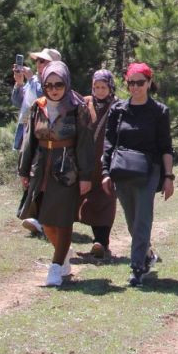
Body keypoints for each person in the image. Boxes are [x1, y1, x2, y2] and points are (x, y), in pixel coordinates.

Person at [18, 61, 93, 287]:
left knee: (62, 220)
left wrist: (86, 176)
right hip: (41, 168)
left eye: (58, 84)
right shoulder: (37, 106)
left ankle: (56, 267)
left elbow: (85, 144)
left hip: (67, 168)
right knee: (45, 221)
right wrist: (24, 169)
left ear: (66, 83)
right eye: (49, 84)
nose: (53, 89)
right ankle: (64, 252)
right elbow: (29, 140)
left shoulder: (76, 107)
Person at [101, 63, 175, 286]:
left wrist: (169, 177)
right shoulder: (118, 110)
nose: (135, 87)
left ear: (149, 83)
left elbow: (166, 146)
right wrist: (105, 172)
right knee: (132, 220)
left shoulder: (159, 111)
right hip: (122, 171)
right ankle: (147, 254)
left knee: (143, 218)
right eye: (131, 83)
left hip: (149, 171)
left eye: (140, 82)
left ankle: (137, 268)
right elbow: (109, 142)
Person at [11, 47, 61, 236]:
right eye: (38, 61)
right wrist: (19, 83)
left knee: (41, 179)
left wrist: (31, 79)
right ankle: (34, 217)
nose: (39, 65)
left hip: (46, 139)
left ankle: (39, 220)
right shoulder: (34, 82)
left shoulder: (53, 84)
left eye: (43, 61)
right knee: (30, 177)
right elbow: (19, 103)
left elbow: (45, 99)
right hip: (27, 133)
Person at [77, 69, 118, 259]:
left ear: (110, 87)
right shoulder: (85, 103)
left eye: (103, 87)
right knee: (84, 198)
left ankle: (101, 242)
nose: (100, 91)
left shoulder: (118, 106)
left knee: (105, 199)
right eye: (97, 87)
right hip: (85, 160)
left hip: (107, 160)